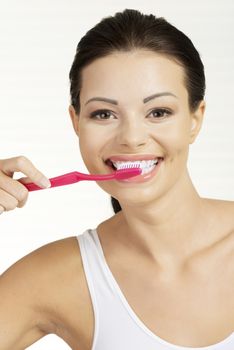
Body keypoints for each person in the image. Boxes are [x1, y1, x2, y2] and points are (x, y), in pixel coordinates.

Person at [0, 8, 233, 350]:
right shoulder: (51, 279)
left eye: (158, 112)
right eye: (104, 114)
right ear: (76, 122)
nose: (132, 137)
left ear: (195, 119)